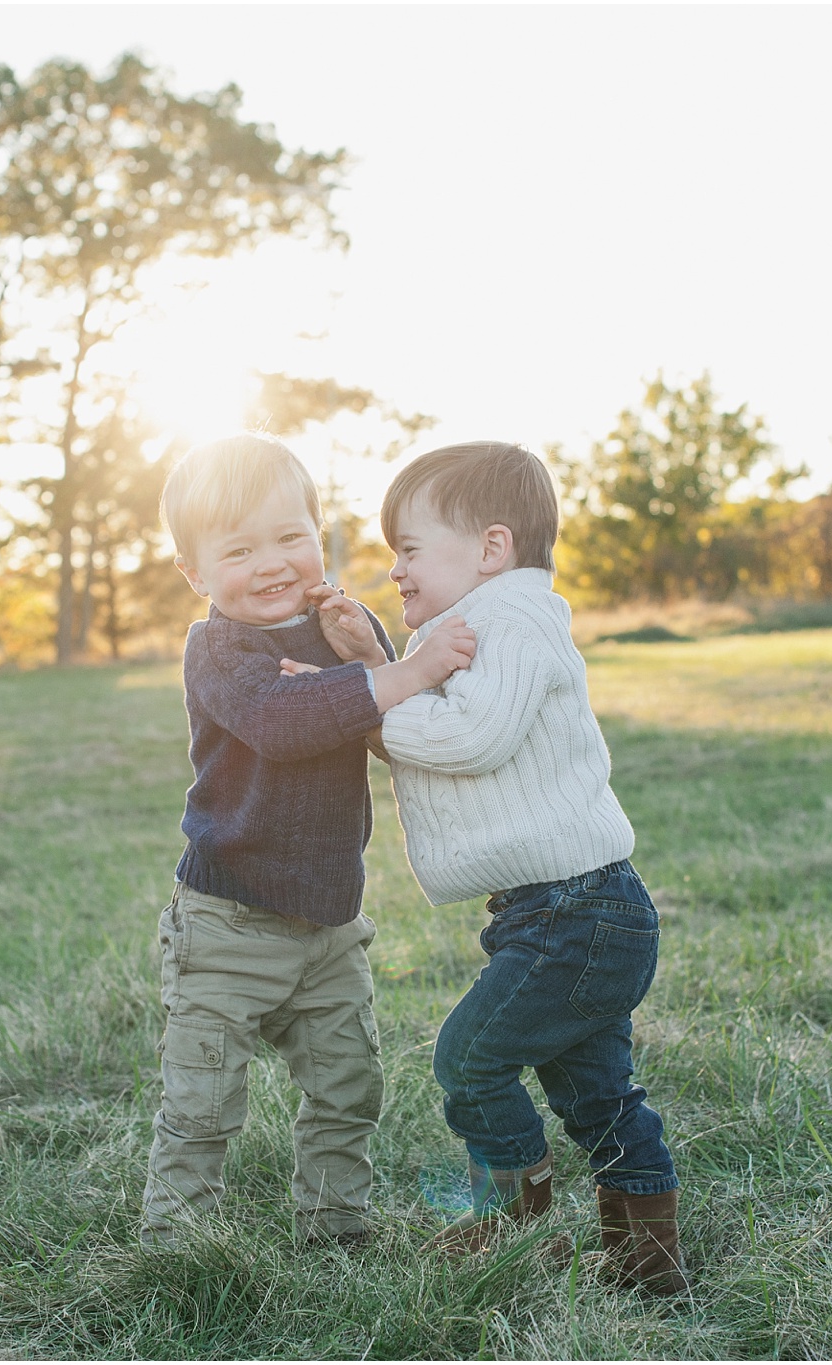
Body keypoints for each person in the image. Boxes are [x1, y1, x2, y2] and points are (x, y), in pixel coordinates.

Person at [290, 440, 685, 1293]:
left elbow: (466, 735)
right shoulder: (482, 625)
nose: (395, 569)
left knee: (469, 1060)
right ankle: (648, 1260)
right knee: (597, 1096)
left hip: (576, 914)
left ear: (492, 549)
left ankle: (513, 1222)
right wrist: (372, 667)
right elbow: (438, 714)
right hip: (568, 913)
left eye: (410, 547)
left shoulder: (516, 618)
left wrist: (361, 707)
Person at [142, 433, 477, 1249]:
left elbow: (384, 720)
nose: (271, 563)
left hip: (328, 923)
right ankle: (176, 1241)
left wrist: (369, 655)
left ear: (319, 534)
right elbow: (281, 724)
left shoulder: (342, 621)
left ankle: (335, 1227)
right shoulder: (218, 647)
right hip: (229, 920)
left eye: (290, 536)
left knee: (348, 1082)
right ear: (196, 573)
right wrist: (408, 669)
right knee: (203, 1098)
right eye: (239, 548)